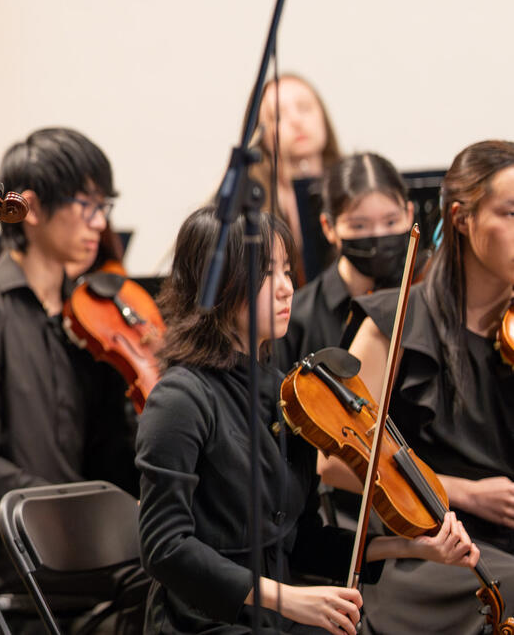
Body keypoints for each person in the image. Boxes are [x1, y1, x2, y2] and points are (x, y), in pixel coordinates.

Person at [135, 206, 478, 635]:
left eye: (285, 271)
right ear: (214, 283)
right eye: (265, 273)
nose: (285, 289)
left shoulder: (290, 395)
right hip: (201, 621)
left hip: (275, 617)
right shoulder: (179, 399)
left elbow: (301, 540)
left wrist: (410, 547)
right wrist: (289, 598)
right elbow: (164, 547)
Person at [0, 127, 146, 633]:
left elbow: (108, 446)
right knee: (179, 586)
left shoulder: (89, 316)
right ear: (32, 207)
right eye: (87, 206)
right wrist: (73, 506)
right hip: (23, 552)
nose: (100, 223)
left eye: (104, 206)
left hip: (91, 539)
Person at [342, 139, 514, 634]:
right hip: (432, 547)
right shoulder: (394, 323)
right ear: (462, 218)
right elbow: (335, 464)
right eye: (510, 212)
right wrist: (466, 494)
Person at [274, 152, 414, 369]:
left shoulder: (422, 298)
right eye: (359, 225)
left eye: (391, 222)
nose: (377, 235)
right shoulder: (298, 318)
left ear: (410, 215)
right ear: (329, 227)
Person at [250, 73, 342, 280]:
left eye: (304, 108)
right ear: (260, 135)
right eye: (278, 116)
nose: (296, 121)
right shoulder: (252, 206)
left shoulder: (353, 186)